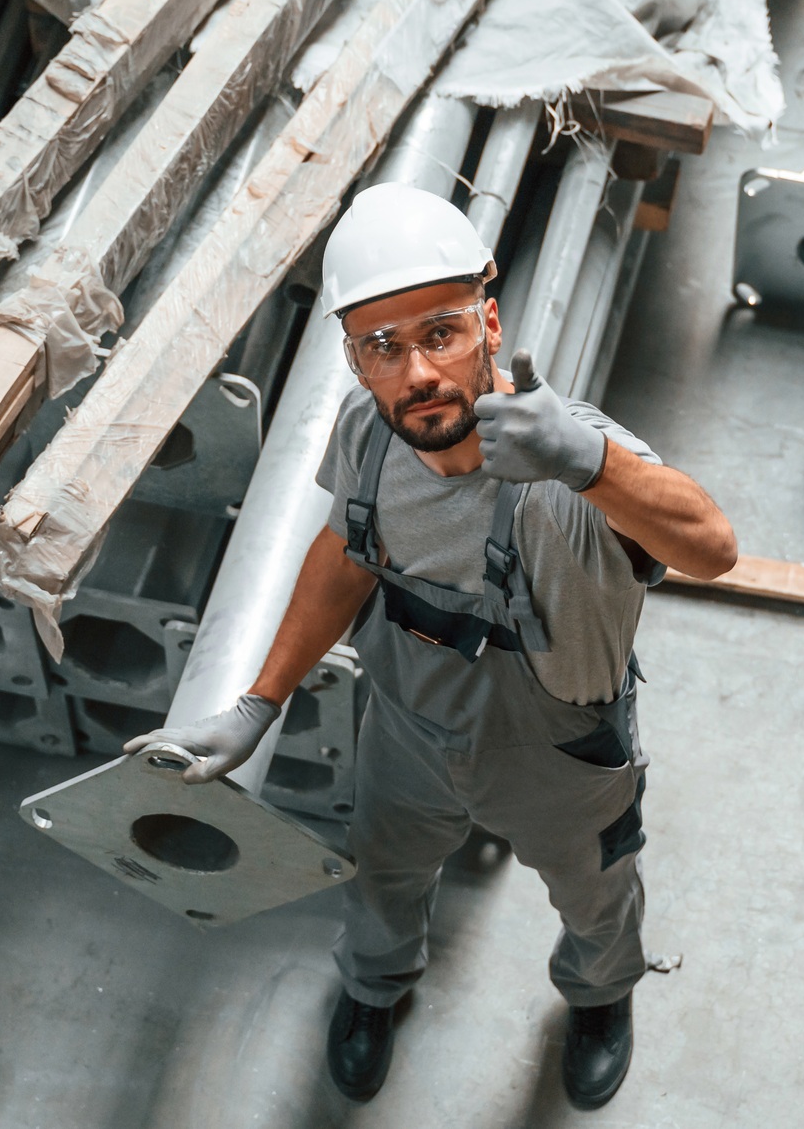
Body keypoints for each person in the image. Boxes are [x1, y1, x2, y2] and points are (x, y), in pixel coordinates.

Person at [132, 182, 737, 1109]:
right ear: (354, 358)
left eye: (441, 333)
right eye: (384, 346)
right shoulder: (368, 440)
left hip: (563, 755)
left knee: (596, 893)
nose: (417, 372)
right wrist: (259, 702)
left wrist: (587, 459)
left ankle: (600, 997)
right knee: (385, 871)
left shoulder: (579, 469)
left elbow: (712, 547)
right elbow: (344, 551)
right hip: (410, 732)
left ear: (489, 323)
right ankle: (375, 989)